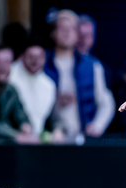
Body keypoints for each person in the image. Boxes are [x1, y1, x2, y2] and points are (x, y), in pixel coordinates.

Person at [44, 9, 115, 143]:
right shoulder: (43, 65)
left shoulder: (92, 66)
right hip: (50, 140)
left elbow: (106, 102)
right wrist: (55, 102)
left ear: (77, 34)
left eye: (71, 29)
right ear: (53, 33)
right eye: (61, 28)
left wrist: (96, 127)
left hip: (82, 140)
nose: (66, 33)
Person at [9, 36, 60, 142]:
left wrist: (57, 130)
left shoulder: (49, 85)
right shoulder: (9, 76)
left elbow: (54, 118)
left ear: (45, 58)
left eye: (39, 56)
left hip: (36, 143)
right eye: (31, 56)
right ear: (22, 56)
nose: (35, 61)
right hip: (10, 140)